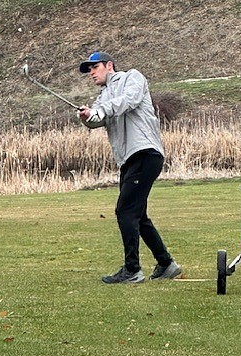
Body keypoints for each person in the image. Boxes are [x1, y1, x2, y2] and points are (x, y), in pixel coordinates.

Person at [78, 51, 182, 284]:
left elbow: (129, 101)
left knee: (125, 211)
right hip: (128, 159)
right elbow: (96, 120)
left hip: (145, 152)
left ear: (109, 65)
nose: (91, 73)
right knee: (138, 215)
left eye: (95, 67)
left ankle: (132, 270)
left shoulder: (132, 78)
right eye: (89, 70)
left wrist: (100, 111)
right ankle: (166, 264)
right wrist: (87, 116)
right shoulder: (102, 97)